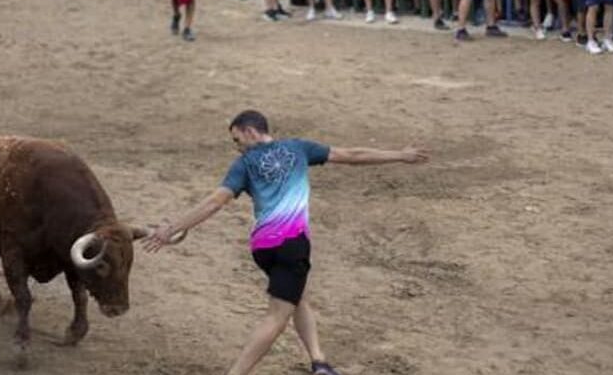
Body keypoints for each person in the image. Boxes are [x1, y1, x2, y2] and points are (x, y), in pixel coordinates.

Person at [143, 110, 428, 375]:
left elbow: (216, 202)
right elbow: (351, 154)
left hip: (263, 247)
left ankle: (319, 361)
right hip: (292, 243)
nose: (237, 146)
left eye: (237, 139)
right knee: (277, 317)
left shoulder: (244, 164)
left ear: (251, 131)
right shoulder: (298, 148)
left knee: (295, 296)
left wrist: (172, 229)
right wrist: (400, 155)